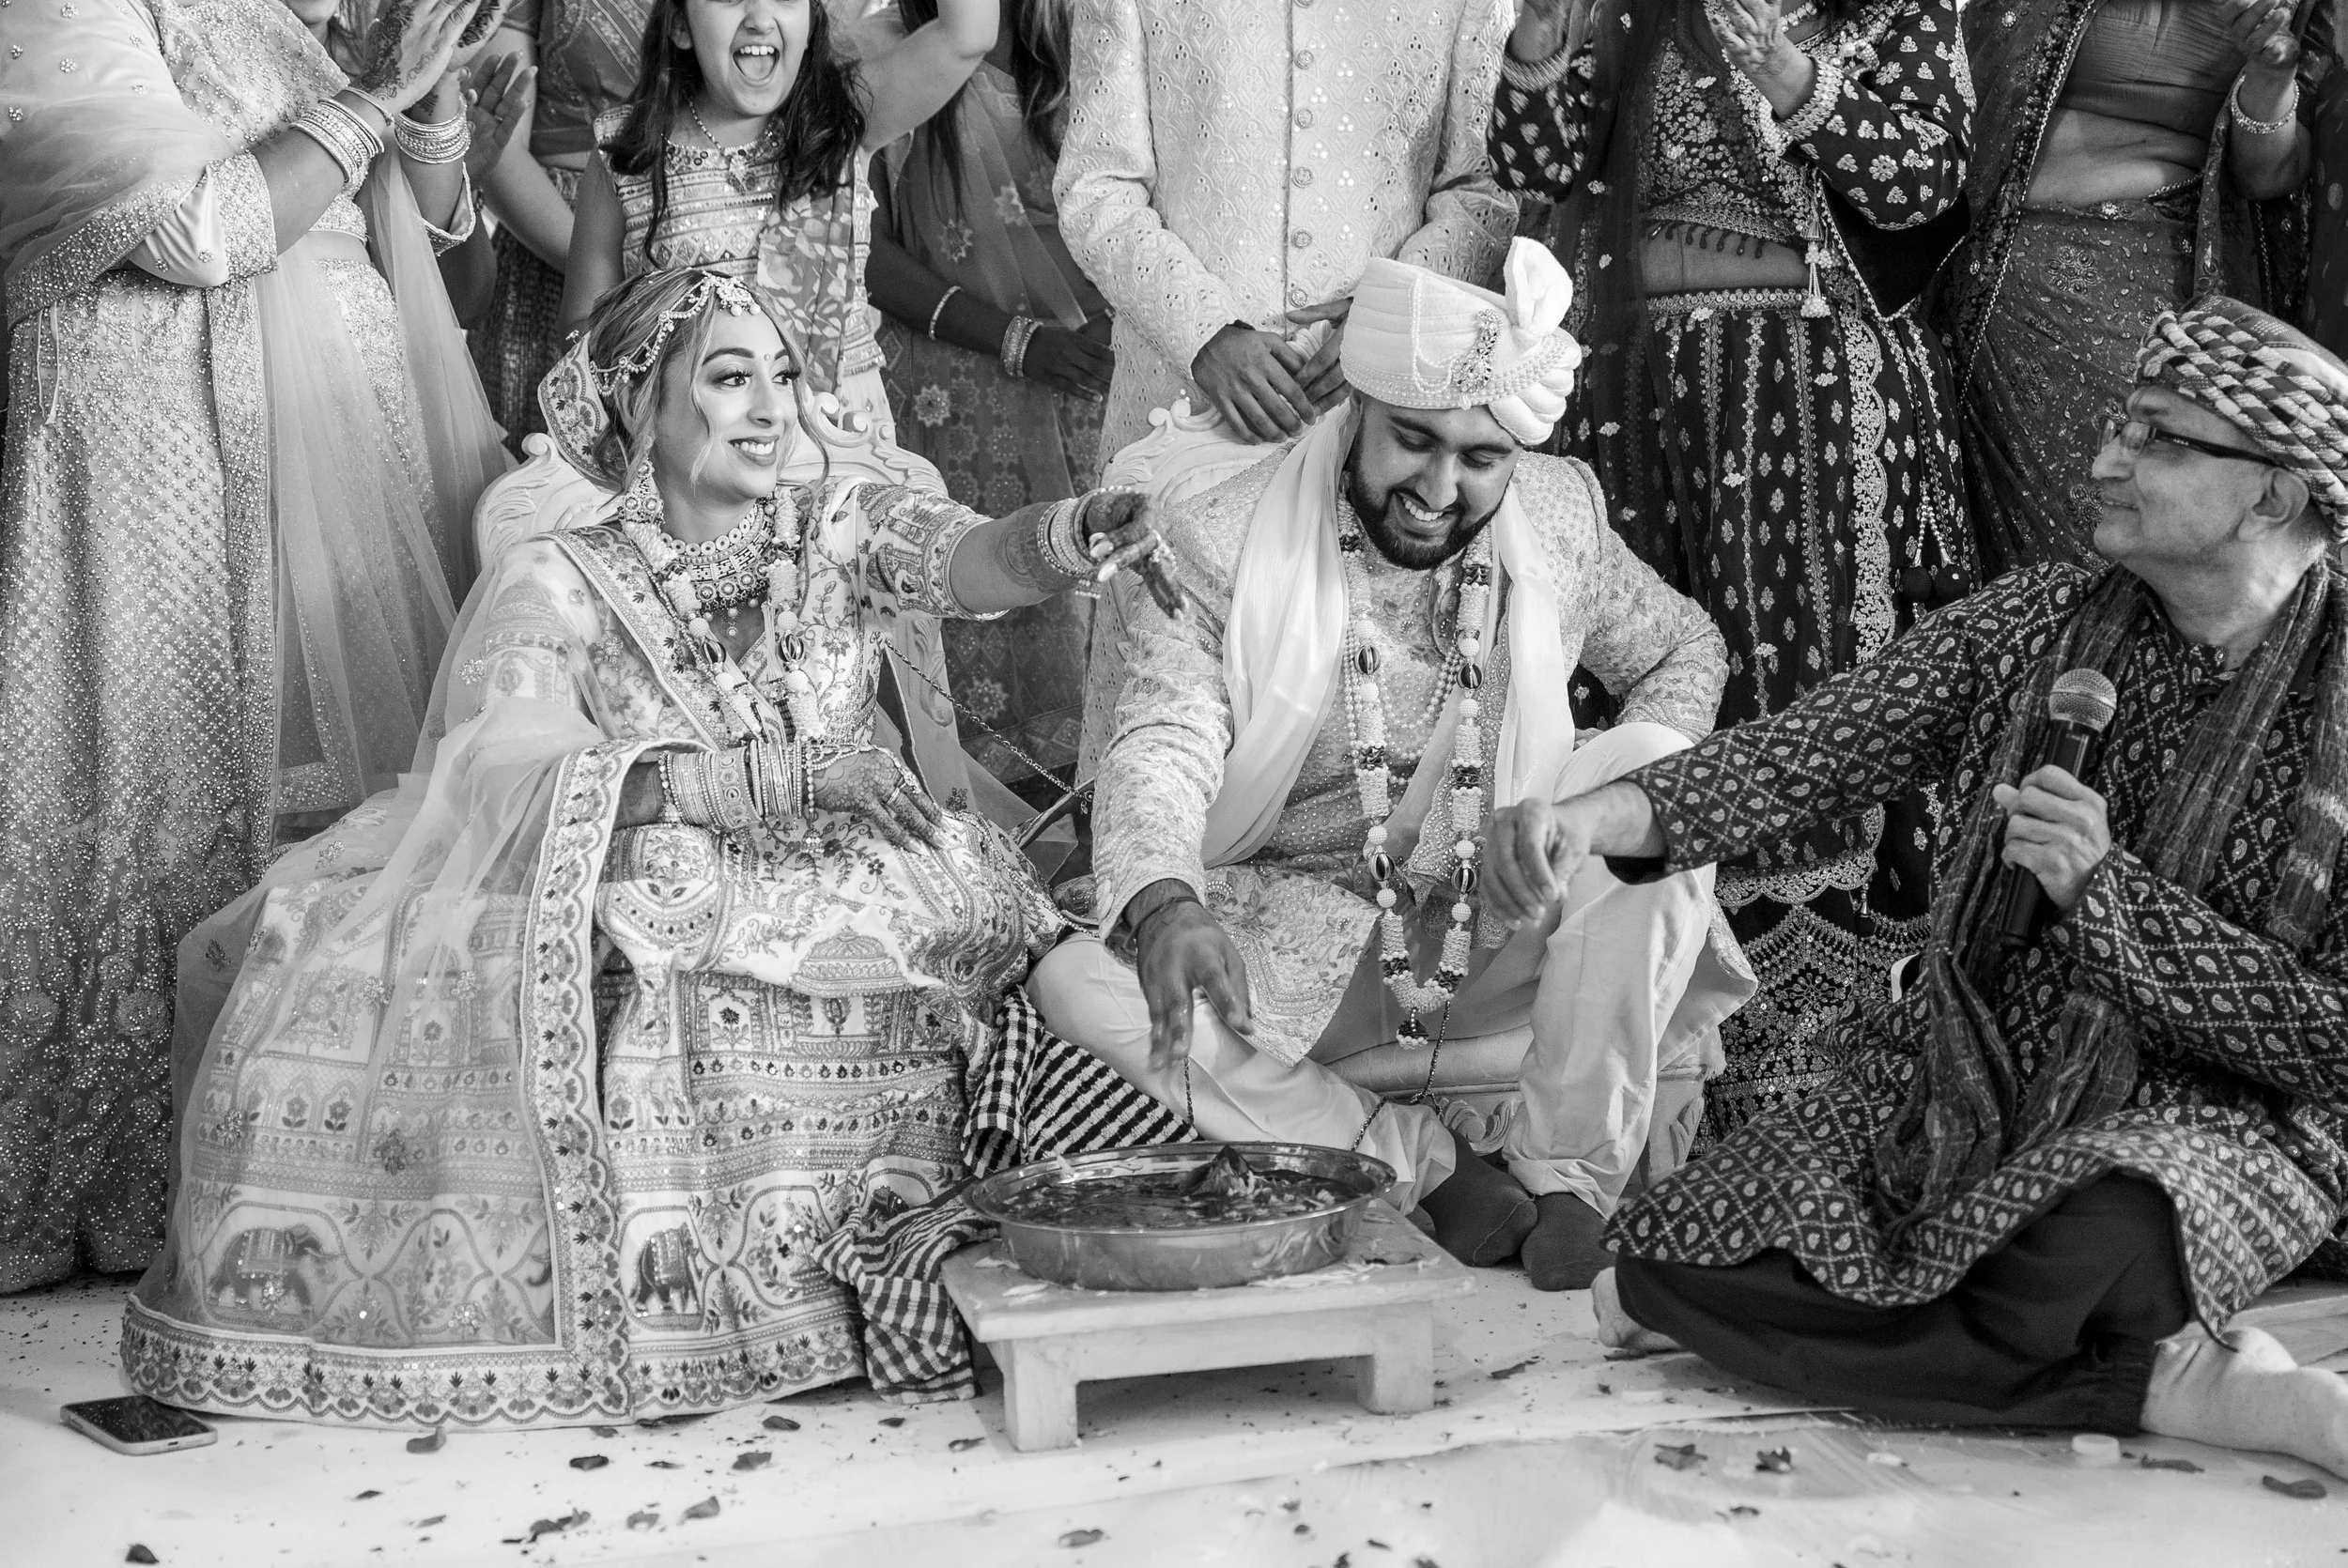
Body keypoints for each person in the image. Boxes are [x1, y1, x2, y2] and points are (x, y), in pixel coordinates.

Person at [121, 268, 1179, 1425]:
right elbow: (503, 763)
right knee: (656, 910)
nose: (771, 407)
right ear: (640, 404)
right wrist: (763, 780)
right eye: (729, 378)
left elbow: (973, 555)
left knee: (994, 927)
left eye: (783, 374)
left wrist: (1076, 531)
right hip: (677, 872)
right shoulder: (558, 573)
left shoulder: (835, 528)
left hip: (868, 868)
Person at [1511, 299, 2348, 1468]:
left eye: (2157, 436)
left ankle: (2148, 1360)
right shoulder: (2035, 623)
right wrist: (1589, 816)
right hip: (1967, 1073)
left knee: (2100, 1232)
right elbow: (1806, 753)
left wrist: (2107, 896)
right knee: (1666, 1261)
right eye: (2119, 424)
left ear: (2271, 495)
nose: (2105, 460)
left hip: (2224, 1118)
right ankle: (2171, 1379)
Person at [1029, 241, 1753, 1288]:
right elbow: (1163, 737)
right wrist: (1168, 901)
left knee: (1653, 769)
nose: (1438, 487)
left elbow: (1687, 650)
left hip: (1500, 922)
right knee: (1073, 982)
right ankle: (1419, 1161)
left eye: (1480, 459)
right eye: (1414, 440)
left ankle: (1569, 1179)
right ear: (1358, 409)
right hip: (1300, 945)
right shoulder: (1221, 534)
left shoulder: (1557, 515)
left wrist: (1569, 824)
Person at [0, 0, 509, 1293]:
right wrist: (376, 98)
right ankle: (130, 1168)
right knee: (157, 782)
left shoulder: (289, 13)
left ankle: (309, 1155)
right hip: (159, 441)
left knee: (350, 798)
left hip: (335, 436)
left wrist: (433, 95)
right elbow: (192, 228)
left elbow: (420, 235)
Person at [1489, 0, 1977, 1147]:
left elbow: (1924, 183)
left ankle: (1815, 1090)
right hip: (1643, 396)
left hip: (1807, 398)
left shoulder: (1898, 10)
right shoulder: (1645, 12)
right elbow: (1539, 168)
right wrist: (1539, 42)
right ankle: (1638, 1074)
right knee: (1648, 690)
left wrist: (1797, 80)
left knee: (1803, 707)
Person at [1940, 0, 2337, 577]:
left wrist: (2270, 75)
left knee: (2128, 515)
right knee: (1993, 562)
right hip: (1987, 273)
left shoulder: (2291, 8)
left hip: (2142, 286)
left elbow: (2269, 177)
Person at [1054, 0, 1517, 462]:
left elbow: (1481, 191)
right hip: (1174, 409)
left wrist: (1393, 313)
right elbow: (1096, 189)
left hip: (1379, 416)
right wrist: (1201, 333)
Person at [563, 0, 998, 439]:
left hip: (837, 437)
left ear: (810, 23)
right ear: (680, 25)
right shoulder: (626, 150)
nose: (759, 19)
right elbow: (583, 332)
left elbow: (969, 35)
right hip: (695, 444)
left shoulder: (842, 119)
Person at [870, 0, 1108, 798]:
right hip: (950, 400)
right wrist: (1017, 340)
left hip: (1094, 383)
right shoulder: (881, 53)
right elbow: (865, 249)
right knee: (984, 616)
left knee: (1101, 627)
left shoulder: (1094, 34)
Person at [465, 0, 644, 440]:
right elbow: (496, 138)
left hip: (700, 235)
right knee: (552, 462)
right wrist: (602, 273)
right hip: (551, 248)